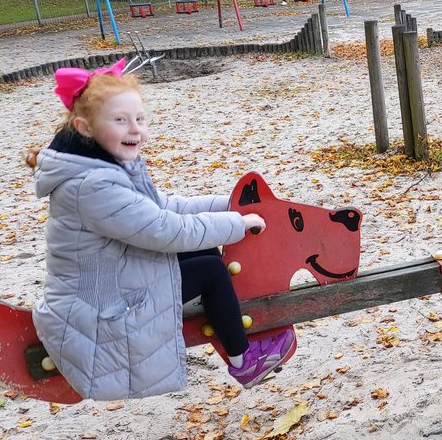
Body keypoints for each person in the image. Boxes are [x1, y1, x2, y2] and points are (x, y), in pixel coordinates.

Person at [33, 59, 294, 400]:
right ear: (85, 128)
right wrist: (236, 224)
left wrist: (231, 204)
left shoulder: (105, 164)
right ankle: (244, 359)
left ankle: (235, 338)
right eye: (120, 121)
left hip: (117, 275)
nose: (135, 130)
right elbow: (164, 229)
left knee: (203, 251)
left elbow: (163, 207)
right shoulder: (93, 186)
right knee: (210, 269)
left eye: (139, 119)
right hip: (100, 308)